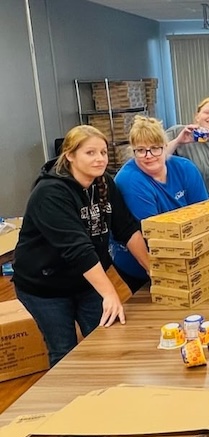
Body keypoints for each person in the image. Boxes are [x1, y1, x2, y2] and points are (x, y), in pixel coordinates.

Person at [12, 125, 150, 366]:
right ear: (70, 156)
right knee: (65, 352)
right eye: (90, 153)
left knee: (108, 341)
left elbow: (127, 228)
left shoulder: (104, 182)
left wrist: (152, 270)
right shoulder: (50, 193)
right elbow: (77, 250)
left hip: (86, 281)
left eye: (103, 152)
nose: (100, 159)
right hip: (45, 287)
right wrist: (110, 293)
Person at [112, 116, 209, 292]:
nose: (149, 156)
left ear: (165, 146)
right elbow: (156, 235)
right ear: (132, 151)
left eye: (155, 149)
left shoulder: (185, 168)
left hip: (185, 251)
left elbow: (204, 215)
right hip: (142, 262)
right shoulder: (130, 181)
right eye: (140, 150)